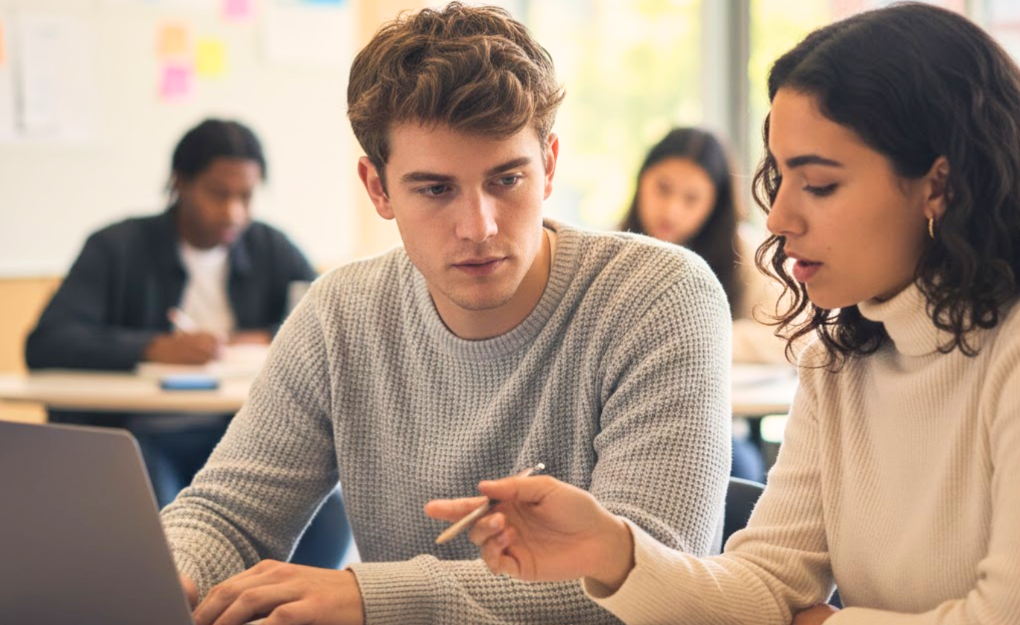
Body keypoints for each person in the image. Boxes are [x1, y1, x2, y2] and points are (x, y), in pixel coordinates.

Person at [428, 4, 1020, 624]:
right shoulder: (839, 366)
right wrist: (611, 552)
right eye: (780, 178)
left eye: (817, 185)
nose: (780, 218)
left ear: (939, 186)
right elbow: (765, 588)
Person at [159, 4, 733, 624]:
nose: (478, 227)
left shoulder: (658, 294)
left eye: (507, 180)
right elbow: (229, 516)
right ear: (378, 188)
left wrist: (370, 596)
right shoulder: (340, 314)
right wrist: (165, 574)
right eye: (435, 189)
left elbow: (653, 579)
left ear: (550, 163)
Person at [25, 118, 350, 569]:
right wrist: (152, 347)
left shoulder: (271, 248)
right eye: (219, 194)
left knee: (331, 510)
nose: (235, 212)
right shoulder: (116, 247)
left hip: (245, 432)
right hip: (146, 433)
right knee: (157, 517)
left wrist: (259, 338)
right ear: (181, 183)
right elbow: (47, 342)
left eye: (247, 197)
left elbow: (326, 329)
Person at [622, 127, 785, 480]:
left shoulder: (745, 255)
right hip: (624, 424)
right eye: (662, 188)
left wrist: (690, 337)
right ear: (641, 181)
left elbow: (788, 335)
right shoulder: (612, 250)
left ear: (715, 203)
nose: (672, 209)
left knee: (737, 467)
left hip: (716, 425)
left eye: (692, 198)